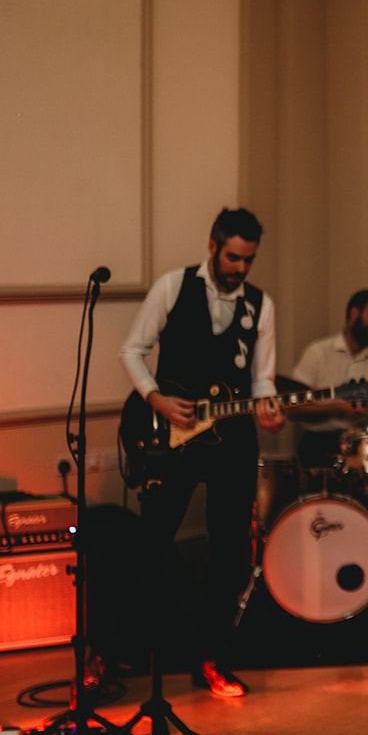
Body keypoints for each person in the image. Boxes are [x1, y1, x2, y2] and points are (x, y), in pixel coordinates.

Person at [121, 208, 283, 698]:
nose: (239, 268)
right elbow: (132, 350)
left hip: (232, 439)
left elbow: (261, 377)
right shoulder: (173, 286)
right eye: (233, 256)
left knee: (232, 552)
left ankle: (211, 657)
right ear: (213, 246)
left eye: (248, 260)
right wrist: (155, 399)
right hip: (170, 431)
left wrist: (268, 406)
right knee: (151, 541)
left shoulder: (261, 305)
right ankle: (121, 652)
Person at [289, 289, 368, 471]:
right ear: (354, 314)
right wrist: (337, 409)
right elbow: (293, 409)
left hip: (360, 447)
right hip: (318, 443)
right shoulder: (317, 353)